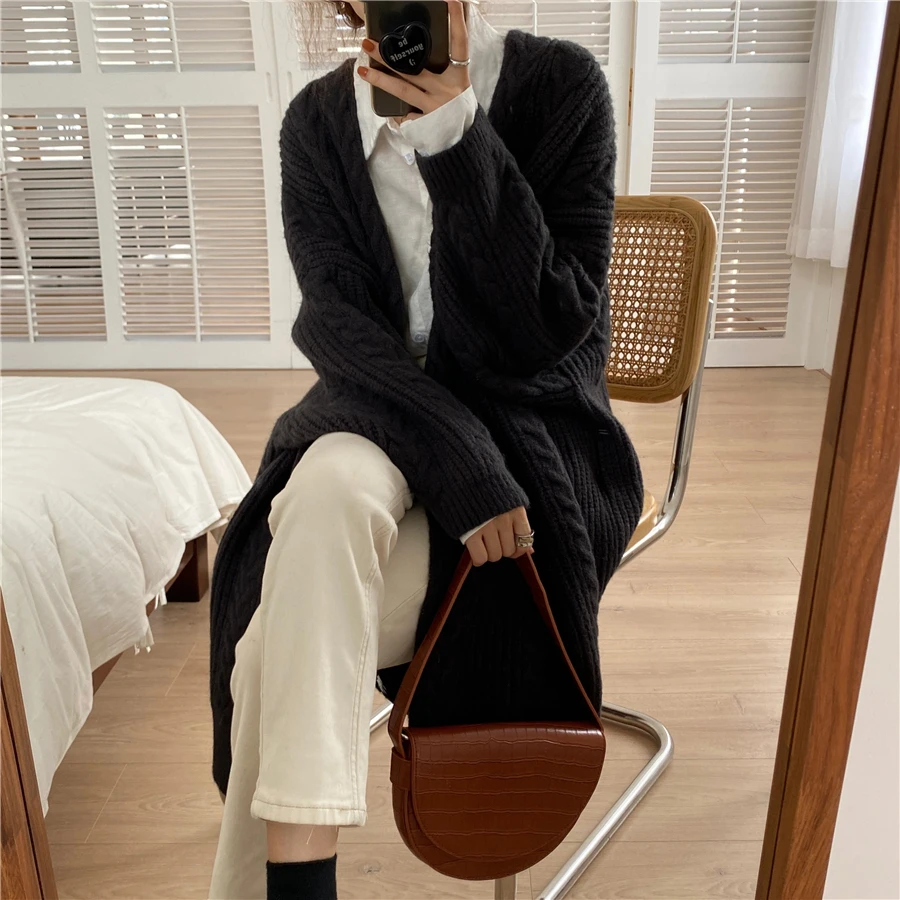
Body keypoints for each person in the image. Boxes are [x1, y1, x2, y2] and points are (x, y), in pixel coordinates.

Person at [208, 1, 643, 897]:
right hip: (382, 409)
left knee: (271, 646)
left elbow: (550, 329)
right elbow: (337, 327)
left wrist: (458, 137)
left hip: (532, 430)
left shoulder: (561, 87)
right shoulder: (316, 125)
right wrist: (458, 462)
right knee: (328, 485)